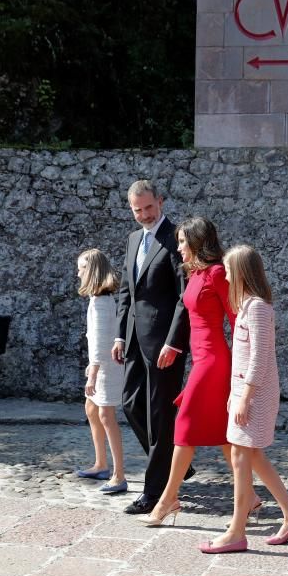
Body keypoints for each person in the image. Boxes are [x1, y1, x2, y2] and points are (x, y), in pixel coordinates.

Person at [137, 217, 261, 527]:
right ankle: (251, 498)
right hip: (202, 360)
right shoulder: (196, 273)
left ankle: (167, 499)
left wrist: (243, 370)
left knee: (183, 427)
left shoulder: (218, 273)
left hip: (215, 363)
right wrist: (174, 345)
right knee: (224, 436)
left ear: (197, 243)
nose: (177, 248)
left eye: (182, 242)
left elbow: (237, 320)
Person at [199, 245, 288, 554]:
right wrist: (234, 396)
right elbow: (244, 359)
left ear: (243, 272)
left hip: (257, 394)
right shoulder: (247, 306)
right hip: (246, 392)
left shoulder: (259, 307)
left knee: (241, 455)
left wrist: (244, 397)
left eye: (230, 269)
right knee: (251, 455)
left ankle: (236, 531)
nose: (227, 274)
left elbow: (260, 359)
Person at [111, 180, 191, 515]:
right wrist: (118, 335)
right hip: (132, 341)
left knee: (160, 416)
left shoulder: (177, 239)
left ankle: (155, 491)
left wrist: (174, 342)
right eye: (137, 210)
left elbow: (184, 297)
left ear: (160, 201)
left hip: (164, 345)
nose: (144, 215)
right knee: (131, 405)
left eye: (149, 207)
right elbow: (127, 292)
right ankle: (177, 465)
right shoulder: (132, 240)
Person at [76, 248, 127, 494]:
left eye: (82, 268)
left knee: (107, 416)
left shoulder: (102, 303)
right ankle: (101, 463)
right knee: (91, 409)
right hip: (99, 364)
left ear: (92, 271)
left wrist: (93, 373)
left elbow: (101, 340)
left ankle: (118, 475)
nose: (78, 273)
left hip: (106, 367)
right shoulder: (98, 300)